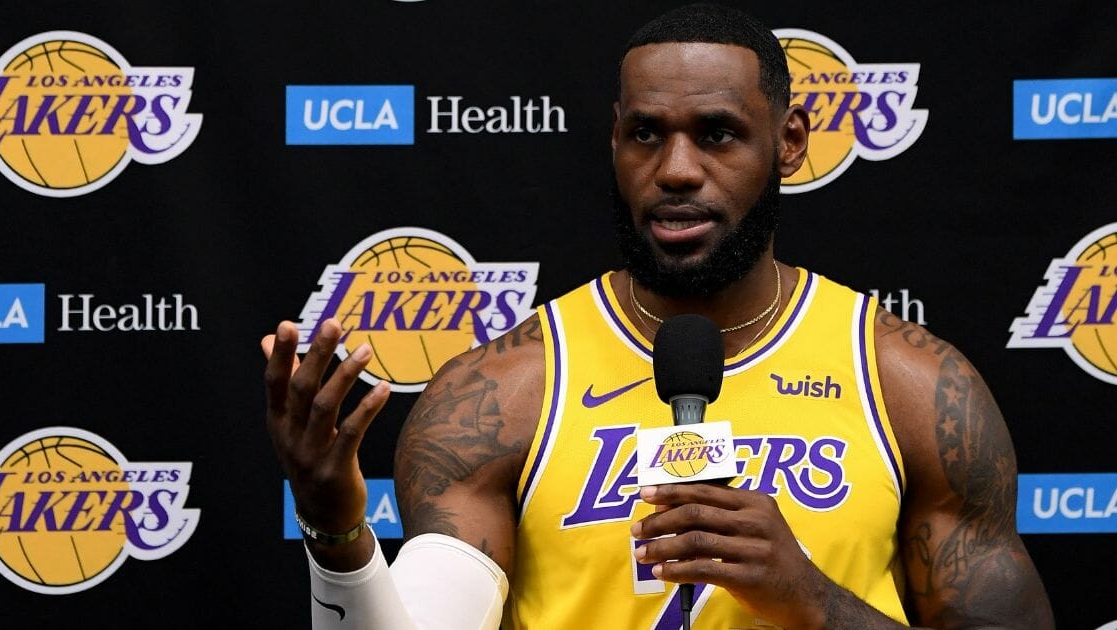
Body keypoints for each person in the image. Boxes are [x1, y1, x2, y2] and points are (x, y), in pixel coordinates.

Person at [262, 3, 1053, 628]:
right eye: (647, 134)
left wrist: (812, 599)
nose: (676, 170)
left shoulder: (910, 385)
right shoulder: (503, 394)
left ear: (789, 143)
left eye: (717, 135)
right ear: (614, 141)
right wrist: (336, 535)